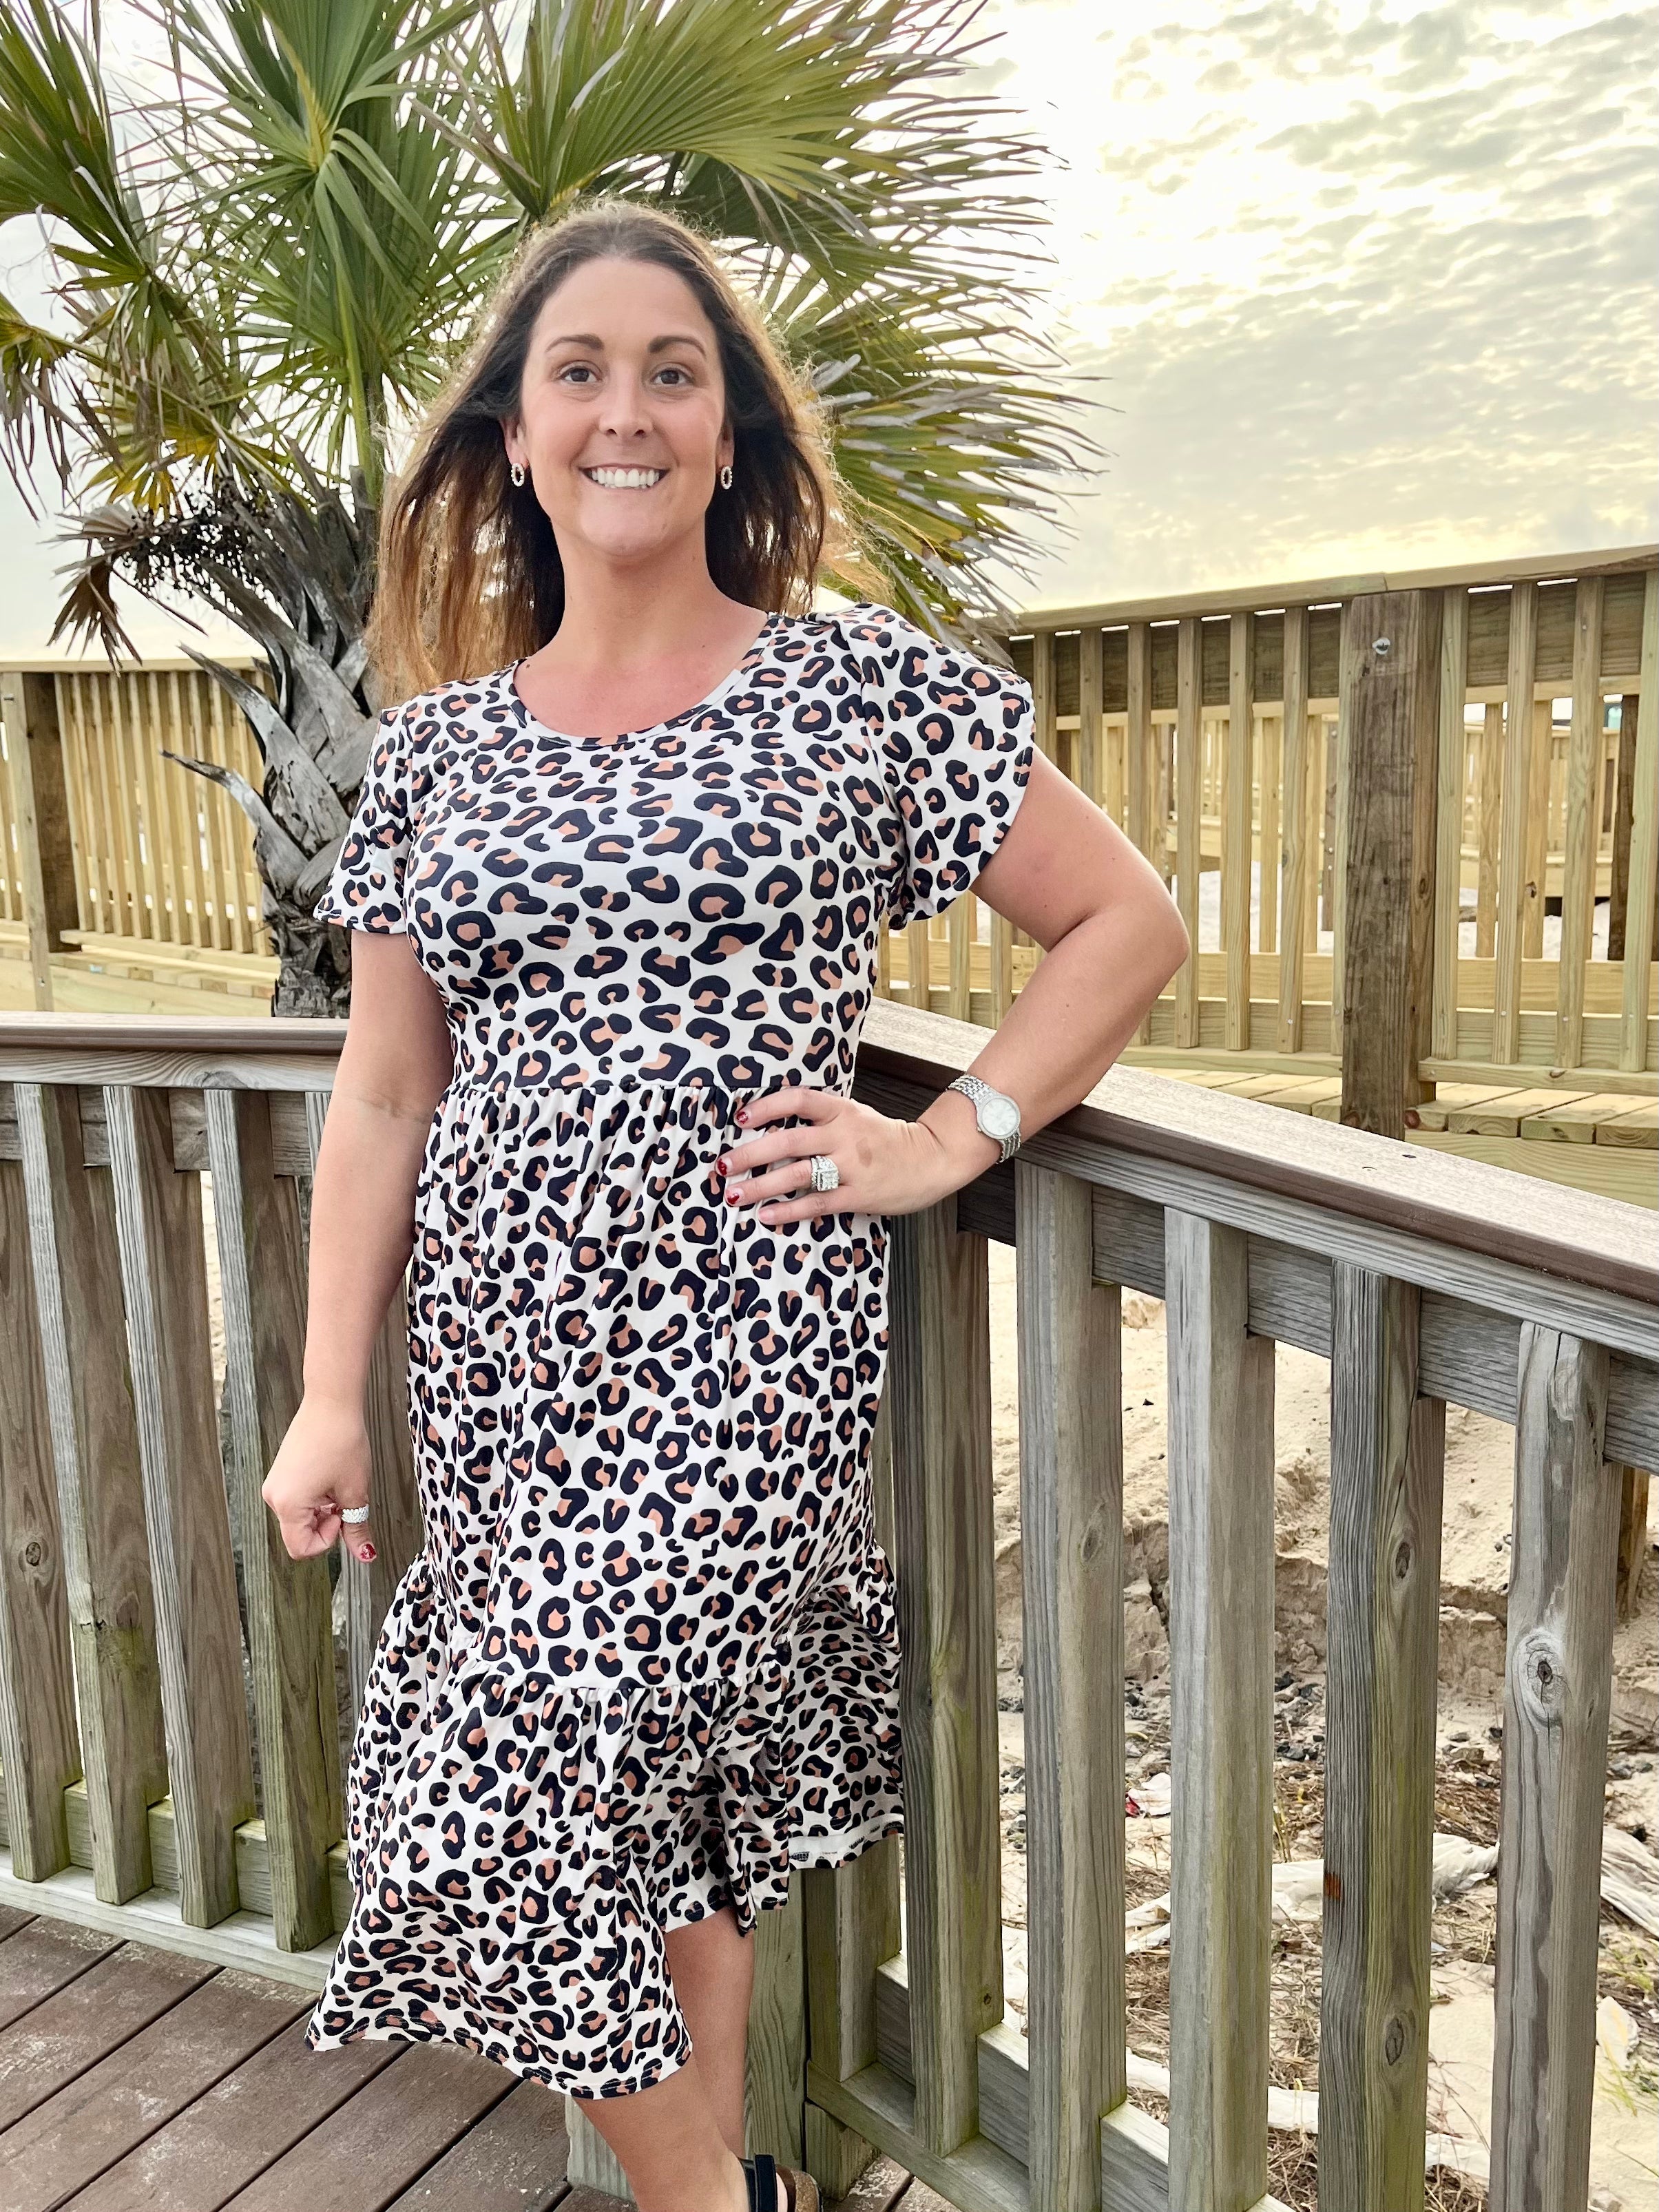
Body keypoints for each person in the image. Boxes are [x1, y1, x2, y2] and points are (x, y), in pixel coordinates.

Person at [260, 199, 1189, 2212]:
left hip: (742, 1354)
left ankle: (704, 2205)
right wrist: (330, 1395)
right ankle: (736, 2186)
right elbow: (387, 1090)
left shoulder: (852, 687)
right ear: (513, 436)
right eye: (578, 372)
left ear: (730, 431)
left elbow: (1124, 918)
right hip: (502, 1374)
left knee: (520, 1798)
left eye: (672, 373)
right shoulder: (433, 758)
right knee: (657, 1812)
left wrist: (952, 1134)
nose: (627, 410)